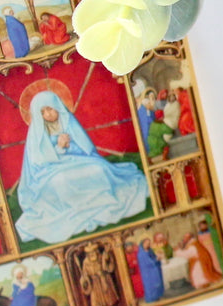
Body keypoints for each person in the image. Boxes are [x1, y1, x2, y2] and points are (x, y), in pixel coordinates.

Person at [12, 90, 149, 244]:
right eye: (43, 112)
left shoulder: (68, 122)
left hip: (78, 161)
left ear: (57, 106)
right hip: (50, 171)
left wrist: (69, 146)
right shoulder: (37, 133)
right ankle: (74, 209)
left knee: (98, 169)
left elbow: (86, 149)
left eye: (50, 109)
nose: (48, 114)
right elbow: (39, 161)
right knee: (60, 181)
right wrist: (59, 148)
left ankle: (103, 200)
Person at [137, 238, 165, 303]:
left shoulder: (150, 250)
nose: (148, 245)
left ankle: (157, 296)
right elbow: (148, 262)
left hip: (154, 270)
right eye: (146, 243)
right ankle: (151, 298)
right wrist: (156, 260)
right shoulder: (141, 254)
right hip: (147, 272)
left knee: (156, 283)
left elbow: (154, 257)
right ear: (143, 244)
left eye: (149, 243)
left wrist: (157, 259)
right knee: (150, 285)